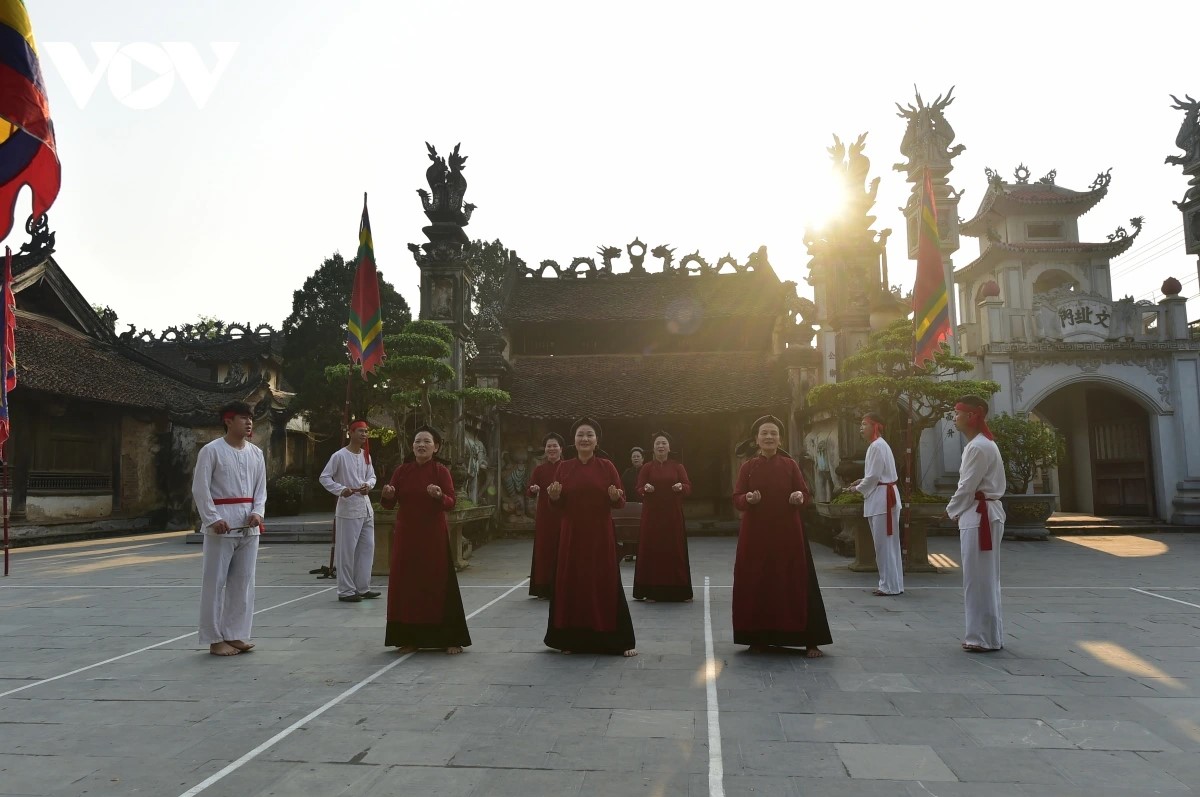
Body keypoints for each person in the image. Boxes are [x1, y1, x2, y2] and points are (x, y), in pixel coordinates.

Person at [732, 415, 832, 657]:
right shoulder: (748, 467)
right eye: (764, 433)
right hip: (756, 535)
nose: (769, 437)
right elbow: (737, 498)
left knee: (794, 580)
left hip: (788, 534)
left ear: (780, 439)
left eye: (773, 433)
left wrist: (799, 497)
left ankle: (808, 640)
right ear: (756, 439)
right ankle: (758, 637)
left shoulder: (790, 465)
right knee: (758, 581)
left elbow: (805, 494)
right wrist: (748, 499)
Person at [545, 417, 637, 656]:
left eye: (589, 435)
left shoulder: (607, 466)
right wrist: (554, 497)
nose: (584, 439)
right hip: (572, 534)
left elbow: (620, 501)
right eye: (580, 435)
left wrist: (615, 497)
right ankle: (571, 639)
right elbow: (556, 505)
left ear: (597, 441)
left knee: (603, 580)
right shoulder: (564, 468)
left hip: (599, 534)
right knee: (572, 581)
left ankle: (615, 640)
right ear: (574, 441)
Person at [380, 425, 471, 654]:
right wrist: (387, 495)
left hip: (432, 537)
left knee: (436, 583)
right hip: (406, 536)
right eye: (417, 441)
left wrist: (440, 495)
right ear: (412, 446)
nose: (421, 445)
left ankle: (450, 638)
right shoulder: (402, 471)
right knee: (407, 585)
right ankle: (410, 638)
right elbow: (389, 503)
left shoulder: (441, 471)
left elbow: (451, 502)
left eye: (427, 442)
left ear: (436, 447)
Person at [192, 401, 267, 657]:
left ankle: (235, 633)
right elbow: (200, 488)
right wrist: (212, 518)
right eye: (243, 418)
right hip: (221, 525)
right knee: (215, 582)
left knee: (243, 582)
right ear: (228, 421)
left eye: (250, 418)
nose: (249, 422)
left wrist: (258, 512)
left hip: (249, 525)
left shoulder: (256, 453)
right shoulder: (211, 450)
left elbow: (261, 489)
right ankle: (214, 639)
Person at [945, 395, 1007, 653]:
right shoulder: (982, 444)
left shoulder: (978, 447)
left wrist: (951, 510)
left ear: (972, 415)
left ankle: (981, 637)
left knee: (978, 578)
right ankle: (988, 635)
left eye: (958, 413)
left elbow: (967, 486)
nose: (954, 418)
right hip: (983, 513)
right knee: (985, 577)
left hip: (980, 514)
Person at [319, 419, 379, 603]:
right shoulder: (339, 456)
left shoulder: (366, 455)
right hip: (348, 509)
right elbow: (324, 477)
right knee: (346, 551)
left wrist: (368, 485)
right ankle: (345, 590)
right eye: (360, 431)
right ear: (350, 433)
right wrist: (340, 489)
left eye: (366, 431)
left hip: (366, 507)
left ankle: (362, 587)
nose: (364, 434)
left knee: (367, 548)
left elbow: (372, 476)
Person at [633, 431, 693, 602]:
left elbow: (688, 487)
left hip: (672, 515)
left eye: (664, 443)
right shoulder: (647, 467)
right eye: (657, 443)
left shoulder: (677, 466)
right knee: (652, 550)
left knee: (674, 550)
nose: (660, 446)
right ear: (652, 448)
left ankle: (677, 590)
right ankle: (651, 589)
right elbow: (638, 488)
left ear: (669, 447)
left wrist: (681, 487)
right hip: (652, 516)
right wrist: (645, 489)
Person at [849, 412, 903, 597]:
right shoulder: (879, 445)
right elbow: (876, 474)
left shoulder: (877, 446)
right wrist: (861, 481)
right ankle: (893, 584)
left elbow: (873, 477)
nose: (861, 428)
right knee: (889, 545)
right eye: (861, 424)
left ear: (876, 426)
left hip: (883, 499)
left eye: (865, 424)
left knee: (884, 545)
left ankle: (888, 585)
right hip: (884, 497)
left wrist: (857, 488)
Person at [527, 432, 566, 599]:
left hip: (564, 515)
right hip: (544, 516)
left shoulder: (567, 467)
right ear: (545, 449)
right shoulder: (539, 469)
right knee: (544, 550)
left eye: (555, 446)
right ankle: (543, 587)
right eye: (549, 446)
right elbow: (529, 491)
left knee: (563, 548)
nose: (552, 449)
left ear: (561, 448)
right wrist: (533, 489)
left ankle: (563, 586)